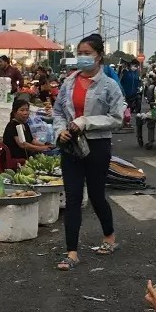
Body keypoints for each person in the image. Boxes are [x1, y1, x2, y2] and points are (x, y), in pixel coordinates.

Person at [52, 33, 126, 269]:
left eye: (87, 53)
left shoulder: (109, 86)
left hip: (97, 145)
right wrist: (60, 130)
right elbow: (57, 112)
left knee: (96, 195)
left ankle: (109, 236)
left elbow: (117, 119)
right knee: (73, 197)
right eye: (79, 53)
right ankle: (71, 252)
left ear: (99, 56)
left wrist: (86, 121)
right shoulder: (68, 82)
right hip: (71, 145)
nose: (82, 58)